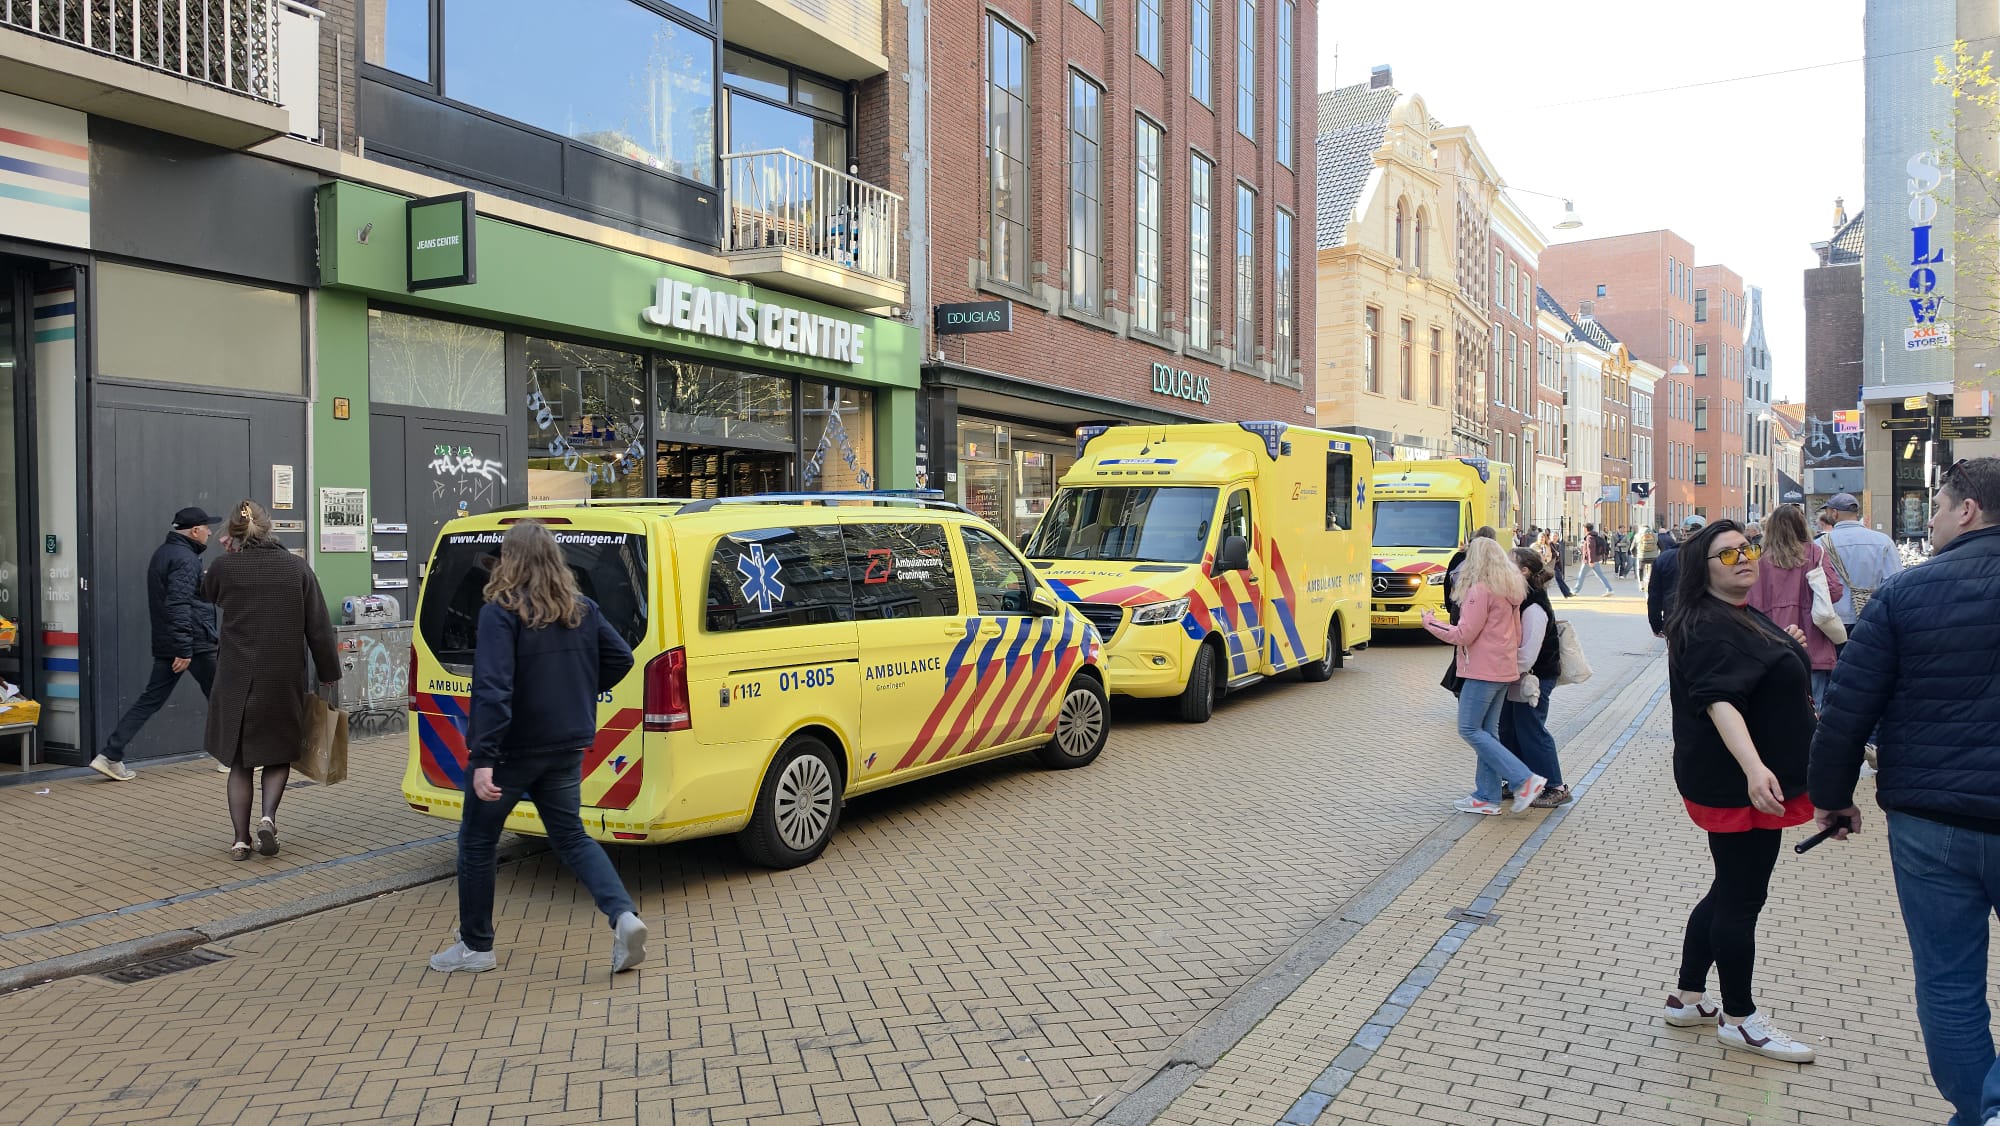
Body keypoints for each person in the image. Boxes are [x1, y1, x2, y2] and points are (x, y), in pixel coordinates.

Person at [1810, 458, 2000, 1124]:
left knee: (1949, 982)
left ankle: (1980, 1111)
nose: (1934, 520)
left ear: (1968, 510)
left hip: (1930, 820)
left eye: (1939, 507)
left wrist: (1833, 797)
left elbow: (1848, 708)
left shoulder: (1908, 594)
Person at [429, 521, 650, 977]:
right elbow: (622, 658)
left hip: (512, 750)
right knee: (570, 835)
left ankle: (476, 946)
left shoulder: (500, 612)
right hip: (567, 746)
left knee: (477, 841)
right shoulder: (582, 609)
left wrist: (483, 758)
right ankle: (624, 916)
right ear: (555, 561)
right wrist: (578, 692)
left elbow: (492, 688)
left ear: (509, 561)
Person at [1662, 519, 1818, 1062]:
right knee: (1742, 897)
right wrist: (1754, 769)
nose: (1744, 558)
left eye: (1747, 548)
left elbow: (1751, 675)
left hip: (1744, 778)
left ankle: (1687, 997)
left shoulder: (1739, 614)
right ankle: (1741, 1018)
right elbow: (1718, 700)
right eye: (1727, 554)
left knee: (1729, 888)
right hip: (1736, 784)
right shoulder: (1708, 624)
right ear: (1702, 570)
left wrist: (1787, 648)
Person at [202, 501, 340, 861]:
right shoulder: (296, 568)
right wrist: (328, 674)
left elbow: (204, 594)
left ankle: (240, 840)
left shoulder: (224, 568)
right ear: (270, 527)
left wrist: (227, 554)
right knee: (278, 754)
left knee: (239, 763)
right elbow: (318, 628)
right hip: (281, 677)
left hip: (235, 678)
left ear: (232, 533)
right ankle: (268, 817)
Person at [89, 506, 221, 781]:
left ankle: (110, 755)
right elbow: (178, 604)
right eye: (207, 528)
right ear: (195, 531)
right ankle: (234, 757)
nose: (210, 532)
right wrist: (183, 649)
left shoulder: (165, 553)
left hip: (171, 641)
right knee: (222, 697)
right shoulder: (185, 559)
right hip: (193, 643)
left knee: (150, 700)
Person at [1422, 538, 1546, 815]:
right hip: (1503, 669)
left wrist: (1430, 623)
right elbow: (1517, 634)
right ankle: (1487, 797)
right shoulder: (1510, 590)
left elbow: (1463, 634)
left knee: (1468, 729)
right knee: (1488, 733)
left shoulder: (1480, 590)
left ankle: (1524, 780)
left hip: (1482, 670)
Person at [1745, 506, 1845, 711]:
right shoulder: (1814, 552)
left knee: (1773, 707)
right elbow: (1834, 591)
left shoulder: (1758, 558)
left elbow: (1749, 599)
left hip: (1768, 640)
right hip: (1811, 640)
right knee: (1812, 706)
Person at [1500, 547, 1570, 807]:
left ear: (1524, 571)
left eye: (1509, 563)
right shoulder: (1520, 598)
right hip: (1519, 676)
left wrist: (1503, 670)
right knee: (1510, 729)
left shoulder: (1534, 605)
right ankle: (1521, 780)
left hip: (1535, 677)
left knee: (1531, 730)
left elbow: (1528, 654)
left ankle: (1555, 786)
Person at [1817, 492, 1902, 637]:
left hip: (1834, 621)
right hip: (1873, 617)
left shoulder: (1820, 544)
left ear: (1835, 513)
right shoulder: (1883, 541)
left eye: (1828, 511)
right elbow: (1894, 582)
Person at [1647, 515, 1707, 637]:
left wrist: (1656, 625)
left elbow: (1654, 596)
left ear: (1684, 532)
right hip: (1707, 620)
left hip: (1674, 618)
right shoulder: (1713, 557)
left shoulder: (1664, 558)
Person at [1578, 523, 1616, 596]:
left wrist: (1591, 561)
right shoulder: (1594, 536)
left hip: (1589, 560)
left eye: (1583, 528)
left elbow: (1590, 550)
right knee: (1600, 576)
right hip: (1595, 560)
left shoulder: (1589, 537)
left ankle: (1575, 590)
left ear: (1585, 529)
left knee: (1581, 575)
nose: (1582, 530)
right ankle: (1609, 589)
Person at [1539, 531, 1574, 598]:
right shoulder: (1548, 545)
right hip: (1549, 564)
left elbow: (1560, 558)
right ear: (1550, 537)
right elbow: (1547, 554)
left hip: (1555, 565)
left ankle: (1566, 593)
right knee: (1546, 581)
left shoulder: (1558, 545)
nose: (1554, 537)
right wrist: (1555, 554)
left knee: (1559, 578)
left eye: (1556, 536)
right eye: (1553, 536)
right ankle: (1566, 593)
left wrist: (1561, 568)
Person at [1635, 524, 1661, 592]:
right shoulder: (1655, 535)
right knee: (1653, 570)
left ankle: (1641, 584)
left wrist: (1634, 554)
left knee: (1640, 569)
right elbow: (1660, 545)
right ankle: (1651, 582)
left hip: (1642, 556)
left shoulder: (1637, 535)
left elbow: (1632, 547)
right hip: (1653, 556)